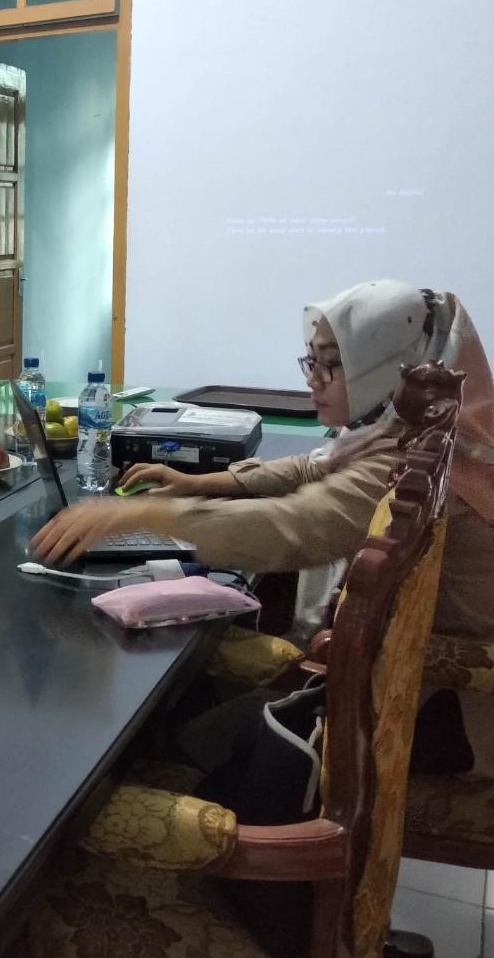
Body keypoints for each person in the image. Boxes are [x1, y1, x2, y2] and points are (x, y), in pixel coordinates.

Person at [32, 279, 494, 774]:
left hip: (440, 707)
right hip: (391, 672)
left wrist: (137, 514)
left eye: (332, 364)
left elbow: (296, 526)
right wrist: (197, 482)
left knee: (185, 736)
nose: (313, 380)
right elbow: (314, 466)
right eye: (311, 361)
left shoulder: (412, 460)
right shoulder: (411, 429)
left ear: (391, 367)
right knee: (196, 711)